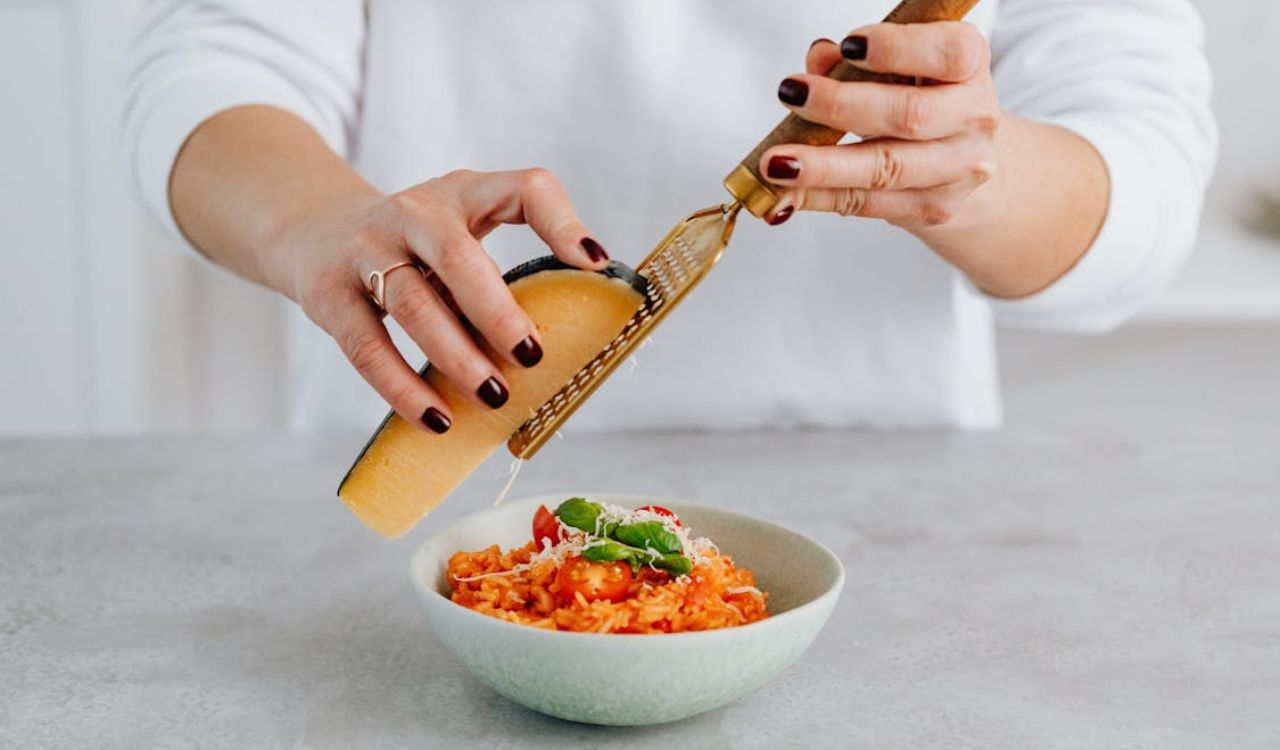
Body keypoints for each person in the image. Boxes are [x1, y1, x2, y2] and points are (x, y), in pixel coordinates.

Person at [122, 1, 1215, 435]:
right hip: (421, 495)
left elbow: (1143, 181)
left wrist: (967, 173)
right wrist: (318, 221)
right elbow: (212, 60)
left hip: (875, 523)